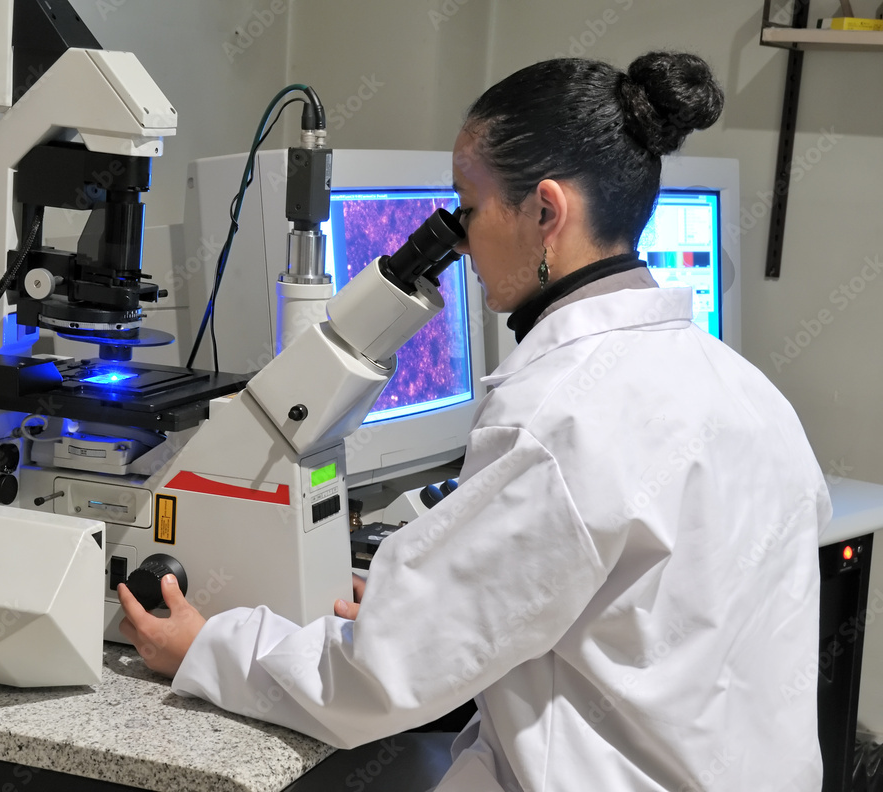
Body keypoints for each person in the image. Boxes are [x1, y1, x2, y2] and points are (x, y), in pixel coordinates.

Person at [119, 52, 829, 791]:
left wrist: (205, 646)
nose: (460, 240)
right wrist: (437, 598)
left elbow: (376, 679)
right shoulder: (750, 394)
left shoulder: (558, 416)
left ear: (546, 212)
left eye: (472, 206)